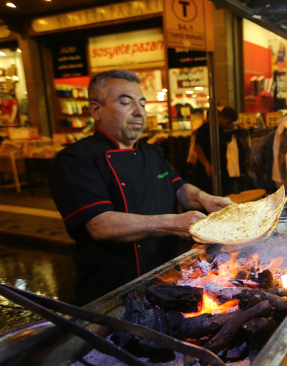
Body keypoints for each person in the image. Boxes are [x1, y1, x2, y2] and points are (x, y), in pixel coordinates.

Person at [49, 69, 232, 305]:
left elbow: (178, 187)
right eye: (125, 102)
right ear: (96, 110)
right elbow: (100, 224)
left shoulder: (152, 151)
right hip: (114, 291)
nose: (139, 112)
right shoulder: (75, 159)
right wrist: (175, 223)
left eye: (142, 104)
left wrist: (206, 199)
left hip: (168, 278)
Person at [194, 106, 238, 196]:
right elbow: (197, 147)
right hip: (207, 172)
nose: (229, 125)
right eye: (228, 122)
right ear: (221, 117)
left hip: (221, 171)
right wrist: (207, 165)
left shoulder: (221, 130)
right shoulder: (206, 129)